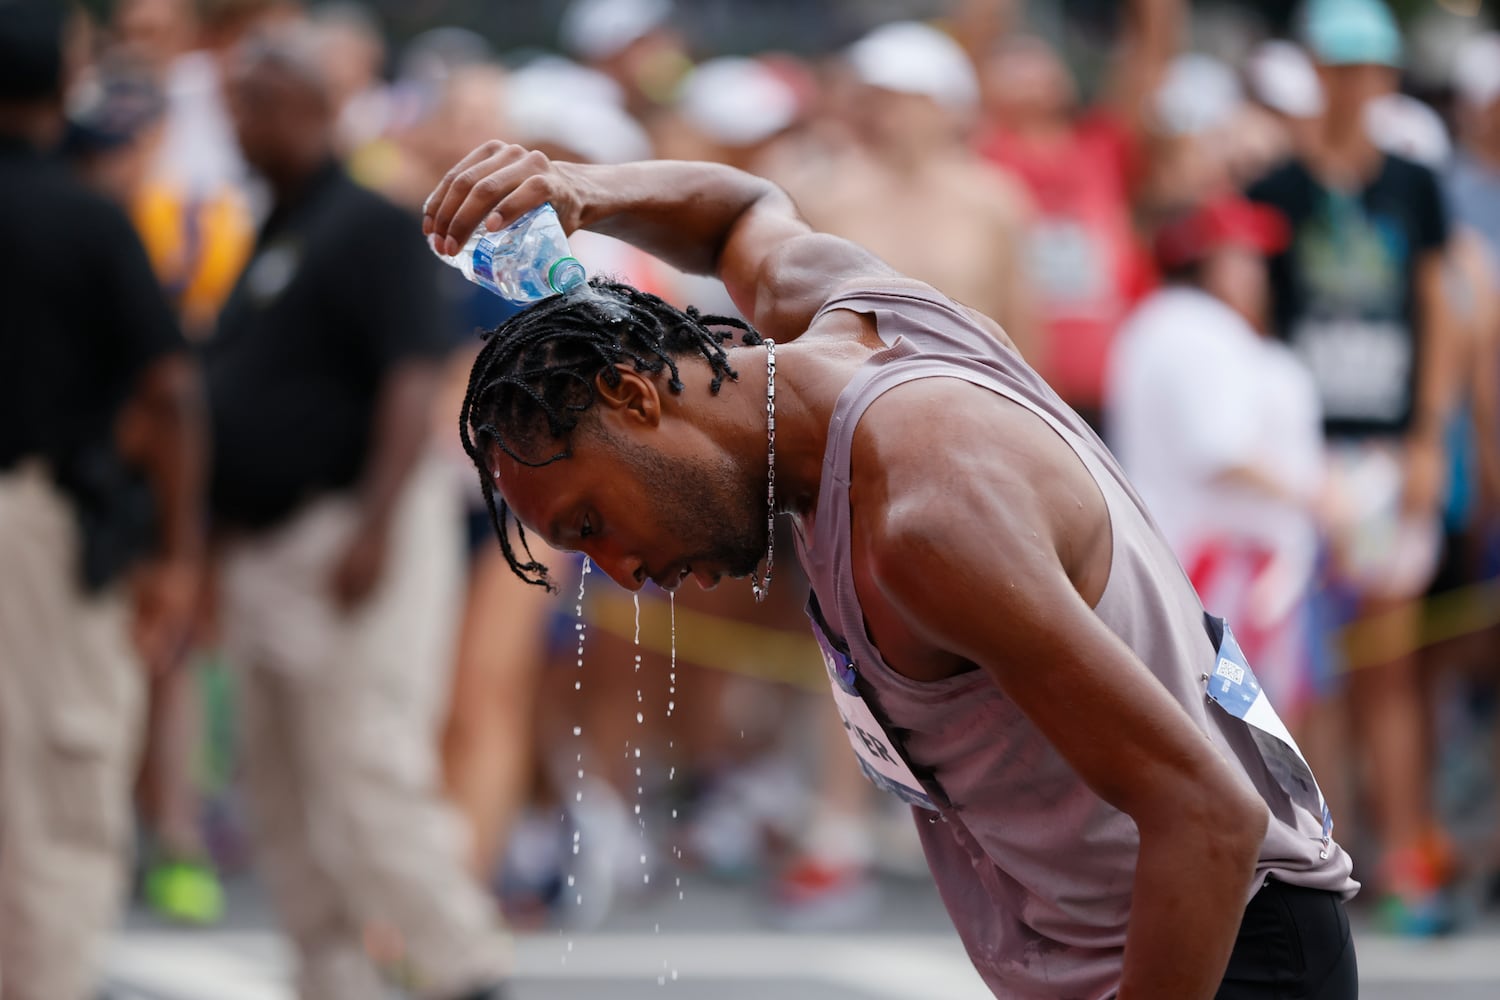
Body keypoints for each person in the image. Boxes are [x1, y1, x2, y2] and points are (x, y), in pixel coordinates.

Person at [425, 137, 1359, 998]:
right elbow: (739, 213)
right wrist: (587, 190)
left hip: (1219, 953)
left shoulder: (925, 520)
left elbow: (1206, 817)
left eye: (591, 522)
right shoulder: (854, 318)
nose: (620, 572)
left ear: (633, 396)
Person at [206, 28, 512, 1000]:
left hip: (348, 523)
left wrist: (377, 524)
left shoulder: (368, 222)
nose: (235, 125)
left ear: (306, 109)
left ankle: (464, 967)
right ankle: (331, 972)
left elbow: (408, 376)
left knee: (369, 766)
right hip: (270, 538)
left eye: (252, 104)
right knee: (285, 785)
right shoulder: (279, 227)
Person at [0, 2, 207, 997]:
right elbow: (169, 392)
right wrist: (175, 551)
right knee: (55, 786)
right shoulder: (83, 216)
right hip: (32, 527)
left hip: (39, 514)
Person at [1245, 0, 1457, 933]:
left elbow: (1439, 311)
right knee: (1306, 671)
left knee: (1388, 663)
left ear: (1386, 80)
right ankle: (1316, 855)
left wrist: (1425, 440)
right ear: (1318, 74)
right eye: (1339, 67)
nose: (1354, 85)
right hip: (1303, 454)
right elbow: (1254, 321)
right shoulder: (1277, 186)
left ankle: (1404, 852)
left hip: (1381, 445)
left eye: (1370, 69)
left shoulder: (1415, 182)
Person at [1107, 195, 1325, 727]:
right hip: (1216, 574)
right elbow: (1221, 452)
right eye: (1244, 255)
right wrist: (1319, 493)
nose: (1259, 270)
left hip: (1175, 562)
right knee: (1245, 741)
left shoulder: (1156, 322)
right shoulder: (1202, 330)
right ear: (1209, 260)